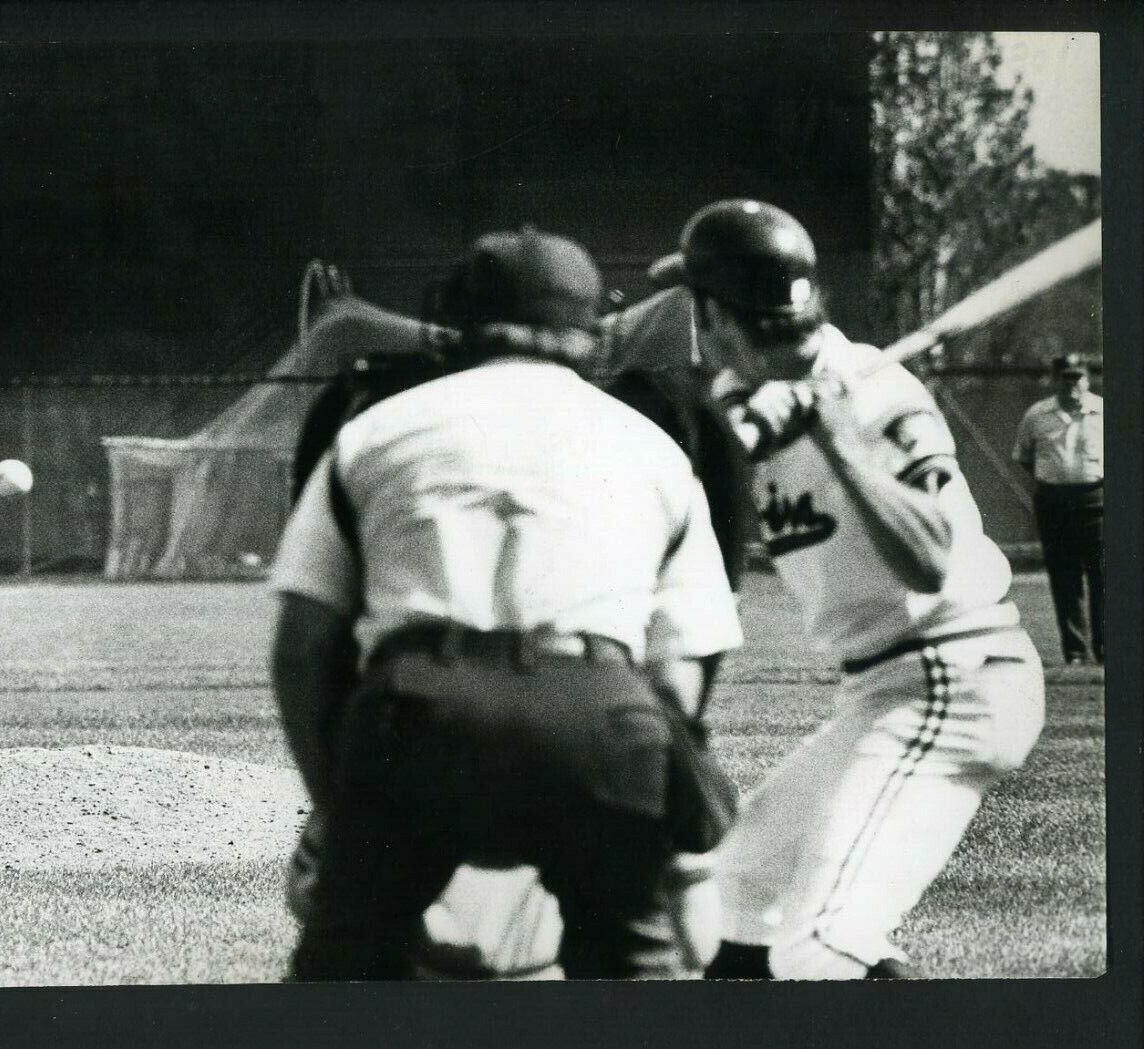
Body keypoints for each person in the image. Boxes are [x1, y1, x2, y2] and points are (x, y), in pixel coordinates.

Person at [270, 226, 743, 980]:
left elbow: (301, 642)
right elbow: (680, 668)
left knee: (342, 980)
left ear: (457, 325)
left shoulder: (375, 430)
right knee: (637, 976)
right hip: (599, 718)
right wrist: (663, 828)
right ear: (587, 332)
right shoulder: (653, 447)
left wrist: (338, 801)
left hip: (418, 714)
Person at [647, 198, 1046, 979]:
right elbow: (731, 410)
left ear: (718, 312)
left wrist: (835, 437)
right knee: (726, 893)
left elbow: (932, 556)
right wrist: (761, 410)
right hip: (878, 687)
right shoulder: (744, 385)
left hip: (952, 677)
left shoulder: (877, 392)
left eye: (693, 301)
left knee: (821, 946)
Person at [1013, 353, 1104, 664]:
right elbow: (1025, 457)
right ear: (1055, 380)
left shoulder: (1104, 411)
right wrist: (1054, 479)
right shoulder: (1037, 415)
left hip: (1098, 502)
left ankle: (1106, 648)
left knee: (1104, 575)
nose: (1072, 384)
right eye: (1065, 378)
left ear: (1087, 379)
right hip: (1055, 505)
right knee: (1065, 578)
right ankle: (1075, 651)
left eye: (1077, 377)